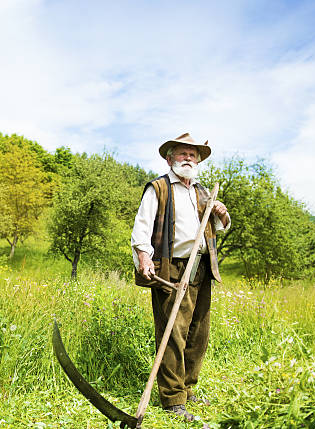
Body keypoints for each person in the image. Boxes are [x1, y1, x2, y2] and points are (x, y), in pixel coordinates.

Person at [131, 133, 230, 421]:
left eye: (193, 155)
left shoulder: (201, 192)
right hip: (171, 268)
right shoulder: (159, 188)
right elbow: (142, 226)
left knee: (198, 332)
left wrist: (221, 212)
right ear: (169, 158)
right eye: (183, 154)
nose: (189, 159)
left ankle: (187, 389)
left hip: (201, 266)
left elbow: (220, 225)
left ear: (198, 161)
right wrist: (143, 257)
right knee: (173, 332)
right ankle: (173, 398)